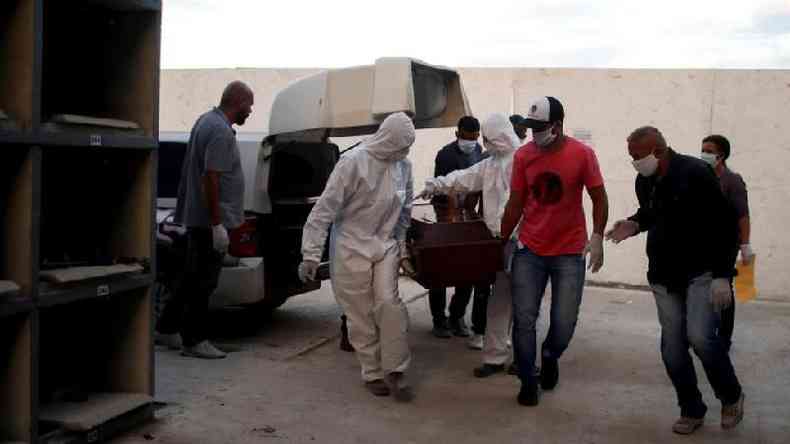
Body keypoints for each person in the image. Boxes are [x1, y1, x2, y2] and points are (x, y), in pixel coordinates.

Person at [606, 126, 744, 435]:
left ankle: (731, 396)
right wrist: (633, 224)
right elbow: (651, 213)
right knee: (672, 348)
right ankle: (691, 408)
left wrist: (723, 275)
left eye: (636, 156)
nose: (633, 163)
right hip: (664, 275)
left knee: (700, 338)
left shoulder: (696, 173)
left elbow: (726, 225)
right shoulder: (644, 179)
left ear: (657, 151)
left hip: (701, 272)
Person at [298, 112, 415, 401]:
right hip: (351, 247)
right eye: (401, 146)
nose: (405, 152)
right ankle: (373, 372)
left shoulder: (403, 165)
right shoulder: (352, 163)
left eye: (408, 147)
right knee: (360, 314)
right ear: (389, 139)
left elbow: (405, 210)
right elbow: (324, 210)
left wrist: (402, 248)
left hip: (384, 244)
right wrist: (310, 254)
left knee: (389, 303)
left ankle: (396, 369)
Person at [500, 96, 608, 406]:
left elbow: (599, 197)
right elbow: (516, 203)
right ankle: (527, 380)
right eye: (530, 128)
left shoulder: (582, 155)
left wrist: (598, 236)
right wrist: (502, 242)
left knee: (564, 322)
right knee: (523, 319)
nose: (534, 134)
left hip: (569, 251)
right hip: (530, 250)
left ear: (557, 126)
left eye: (540, 128)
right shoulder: (524, 157)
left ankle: (549, 355)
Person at [156, 81, 254, 359]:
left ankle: (166, 328)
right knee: (203, 282)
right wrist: (216, 224)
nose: (250, 111)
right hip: (209, 221)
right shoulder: (221, 131)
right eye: (249, 105)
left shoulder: (205, 120)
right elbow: (211, 177)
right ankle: (194, 340)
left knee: (190, 277)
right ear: (237, 102)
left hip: (198, 217)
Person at [419, 113, 520, 377]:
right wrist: (436, 185)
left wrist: (502, 229)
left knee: (524, 306)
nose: (483, 143)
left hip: (521, 244)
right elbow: (465, 177)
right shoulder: (492, 163)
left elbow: (516, 202)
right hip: (498, 242)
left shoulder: (523, 161)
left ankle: (524, 359)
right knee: (498, 302)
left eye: (486, 138)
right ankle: (495, 358)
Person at [428, 116, 491, 345]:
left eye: (475, 138)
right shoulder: (445, 155)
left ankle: (457, 316)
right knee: (440, 271)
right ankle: (439, 320)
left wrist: (471, 214)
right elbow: (445, 187)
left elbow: (478, 186)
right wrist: (452, 219)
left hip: (468, 218)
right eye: (467, 137)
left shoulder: (480, 153)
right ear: (458, 133)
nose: (471, 142)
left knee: (468, 271)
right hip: (445, 216)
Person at [701, 134, 753, 351]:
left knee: (723, 287)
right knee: (702, 285)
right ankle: (704, 330)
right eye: (703, 149)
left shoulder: (732, 180)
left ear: (721, 155)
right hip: (703, 241)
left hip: (726, 243)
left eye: (709, 151)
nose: (704, 154)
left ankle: (724, 336)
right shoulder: (700, 176)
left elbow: (742, 215)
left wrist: (745, 244)